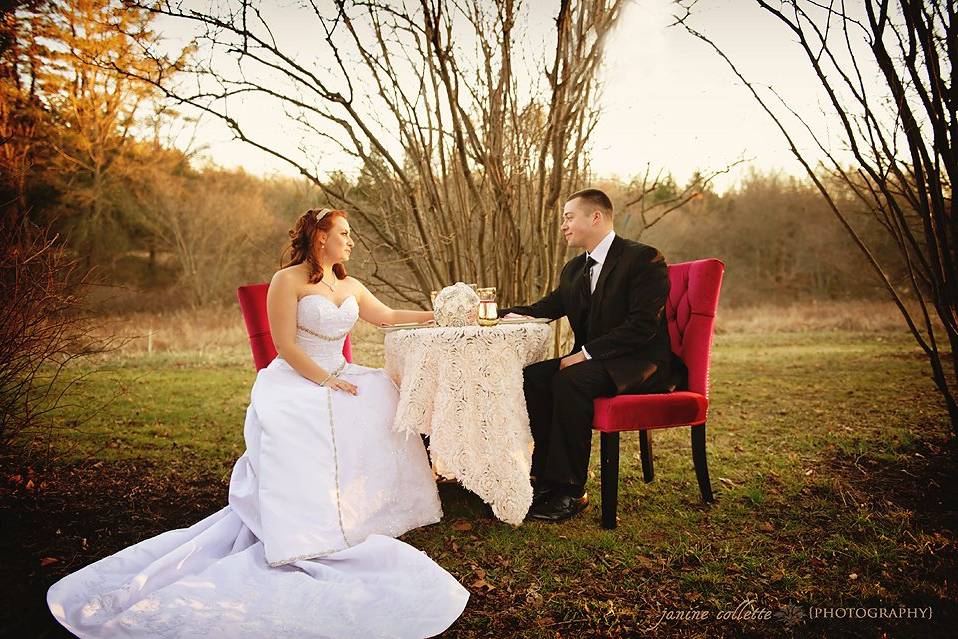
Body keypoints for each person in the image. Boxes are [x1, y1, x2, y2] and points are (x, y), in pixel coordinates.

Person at [47, 208, 469, 638]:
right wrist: (324, 380)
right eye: (344, 233)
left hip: (340, 375)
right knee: (310, 417)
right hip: (299, 377)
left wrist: (438, 316)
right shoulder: (286, 282)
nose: (351, 240)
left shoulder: (349, 284)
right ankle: (311, 522)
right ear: (321, 237)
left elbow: (386, 316)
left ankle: (367, 511)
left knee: (381, 398)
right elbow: (284, 345)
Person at [500, 189, 685, 522]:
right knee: (533, 377)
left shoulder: (644, 259)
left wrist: (585, 354)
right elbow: (546, 307)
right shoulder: (574, 269)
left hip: (640, 364)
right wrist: (501, 314)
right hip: (596, 362)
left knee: (571, 378)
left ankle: (571, 491)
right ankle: (544, 480)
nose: (563, 226)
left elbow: (642, 326)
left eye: (569, 217)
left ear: (595, 217)